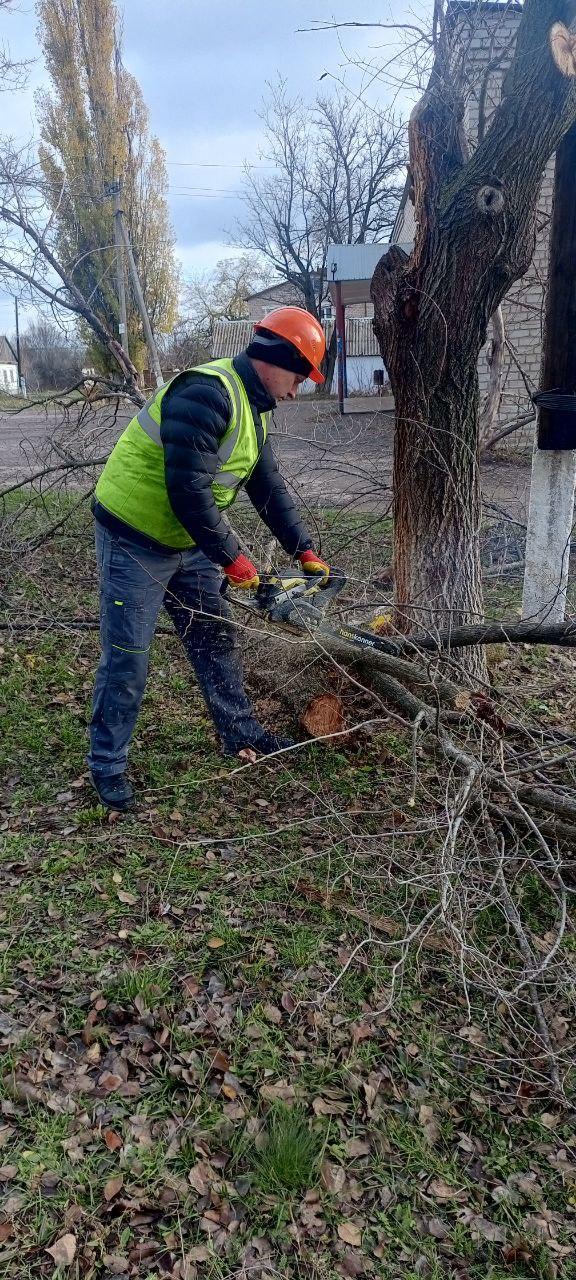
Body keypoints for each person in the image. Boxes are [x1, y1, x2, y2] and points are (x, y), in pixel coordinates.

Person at [88, 307, 330, 810]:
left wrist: (302, 548)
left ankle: (240, 733)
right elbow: (188, 491)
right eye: (299, 376)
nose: (296, 390)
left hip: (188, 540)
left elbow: (267, 487)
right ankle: (108, 768)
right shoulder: (207, 393)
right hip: (134, 538)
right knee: (129, 658)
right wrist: (233, 559)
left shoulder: (255, 408)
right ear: (277, 359)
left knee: (215, 638)